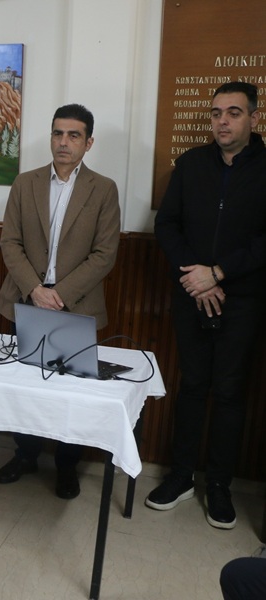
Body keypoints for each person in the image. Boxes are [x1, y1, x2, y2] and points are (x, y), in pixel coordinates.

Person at [147, 81, 266, 529]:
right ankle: (181, 476)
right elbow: (167, 224)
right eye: (217, 113)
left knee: (230, 392)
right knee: (192, 386)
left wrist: (219, 273)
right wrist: (196, 277)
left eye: (233, 113)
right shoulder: (192, 164)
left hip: (242, 299)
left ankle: (219, 485)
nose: (222, 121)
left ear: (254, 118)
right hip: (191, 294)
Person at [0, 103, 121, 499]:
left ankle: (67, 466)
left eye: (73, 135)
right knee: (25, 386)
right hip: (27, 299)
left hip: (74, 306)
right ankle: (26, 455)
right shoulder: (25, 183)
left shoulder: (103, 189)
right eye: (58, 133)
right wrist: (35, 289)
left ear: (88, 143)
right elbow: (9, 242)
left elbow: (105, 254)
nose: (64, 142)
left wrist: (60, 293)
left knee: (71, 391)